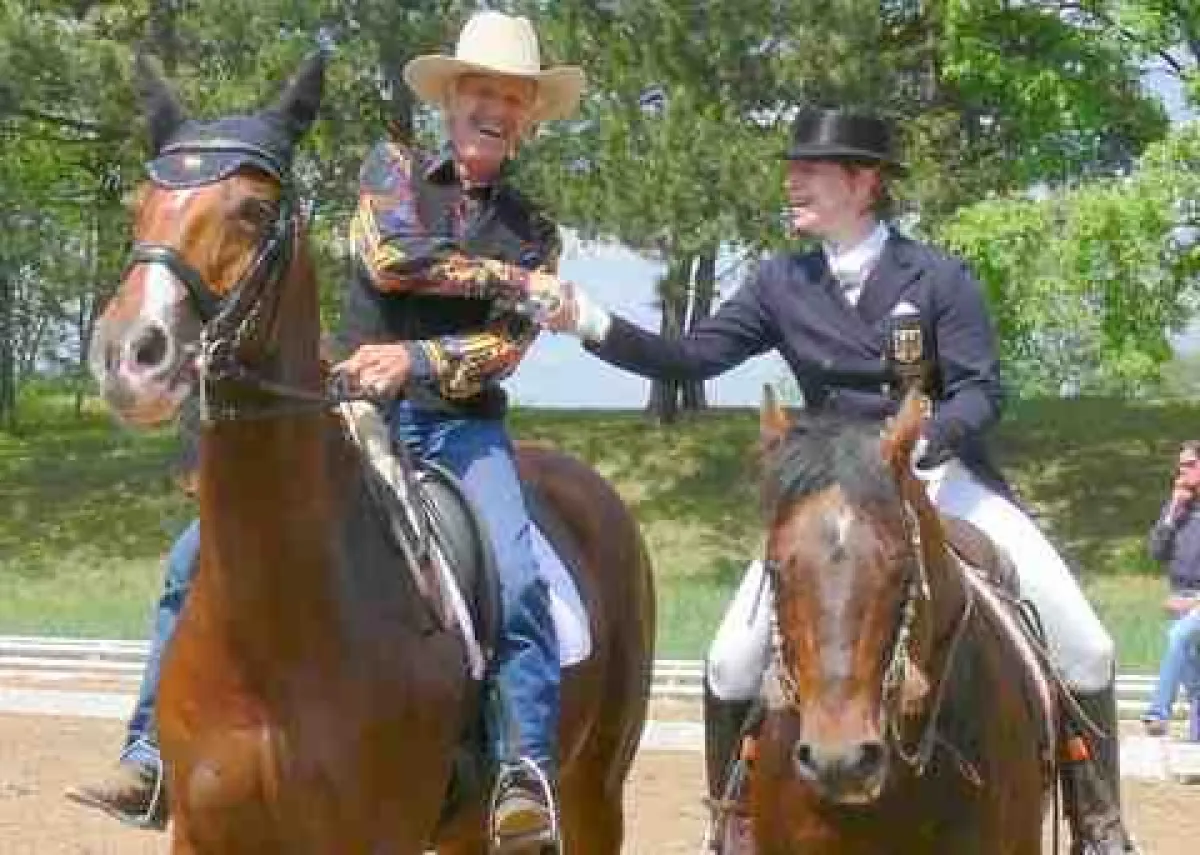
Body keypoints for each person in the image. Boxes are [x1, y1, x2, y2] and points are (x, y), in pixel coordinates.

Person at [547, 107, 1136, 853]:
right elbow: (690, 358)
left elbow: (983, 391)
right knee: (731, 658)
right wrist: (588, 320)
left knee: (1086, 643)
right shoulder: (780, 283)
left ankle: (1100, 823)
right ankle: (730, 825)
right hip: (831, 494)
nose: (792, 182)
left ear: (864, 183)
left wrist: (921, 442)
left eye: (812, 171)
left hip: (936, 473)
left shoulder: (939, 276)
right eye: (792, 170)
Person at [67, 11, 578, 847]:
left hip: (461, 430)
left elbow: (503, 347)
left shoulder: (539, 231)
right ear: (451, 100)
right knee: (192, 555)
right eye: (480, 90)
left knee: (520, 582)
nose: (495, 107)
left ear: (528, 119)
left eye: (514, 98)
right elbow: (393, 257)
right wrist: (515, 283)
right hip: (349, 415)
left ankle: (523, 772)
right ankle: (149, 752)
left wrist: (415, 361)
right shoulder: (394, 171)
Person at [1141, 440, 1200, 736]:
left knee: (1177, 637)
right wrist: (1172, 511)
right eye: (1180, 466)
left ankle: (1157, 712)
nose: (1181, 472)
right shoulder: (1177, 510)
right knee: (1196, 684)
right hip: (1181, 600)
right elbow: (1155, 552)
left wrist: (1195, 603)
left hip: (1197, 605)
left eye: (1189, 465)